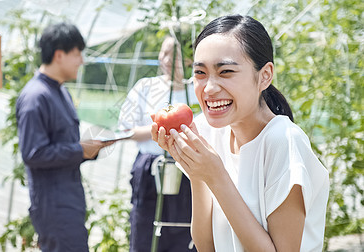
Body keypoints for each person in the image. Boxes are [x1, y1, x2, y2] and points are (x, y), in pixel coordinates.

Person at [152, 15, 329, 252]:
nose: (209, 88)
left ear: (265, 75)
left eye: (225, 72)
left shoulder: (283, 142)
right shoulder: (206, 131)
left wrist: (216, 176)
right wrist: (196, 171)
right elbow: (207, 246)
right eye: (200, 73)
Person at [16, 22, 113, 252]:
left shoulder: (59, 91)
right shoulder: (35, 97)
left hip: (69, 200)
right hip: (53, 205)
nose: (81, 60)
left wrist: (90, 148)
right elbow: (33, 154)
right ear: (59, 55)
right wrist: (81, 150)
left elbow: (63, 146)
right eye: (77, 54)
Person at [118, 37, 198, 252]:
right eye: (163, 53)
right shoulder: (146, 87)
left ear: (190, 59)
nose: (166, 59)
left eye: (174, 55)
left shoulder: (197, 90)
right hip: (150, 168)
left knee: (184, 233)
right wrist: (163, 129)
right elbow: (126, 129)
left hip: (187, 168)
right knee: (145, 230)